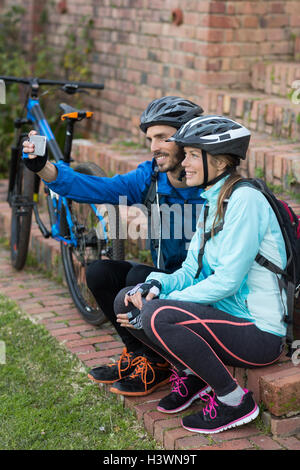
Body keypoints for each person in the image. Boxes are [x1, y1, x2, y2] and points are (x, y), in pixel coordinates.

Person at [114, 115, 287, 433]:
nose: (184, 162)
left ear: (220, 161)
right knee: (127, 299)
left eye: (193, 155)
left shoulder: (245, 201)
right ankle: (194, 375)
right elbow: (190, 270)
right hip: (224, 320)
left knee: (157, 313)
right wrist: (155, 284)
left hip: (260, 334)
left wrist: (160, 301)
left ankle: (235, 401)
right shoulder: (212, 202)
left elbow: (227, 281)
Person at [22, 96, 205, 396]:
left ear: (187, 137)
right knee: (99, 272)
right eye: (150, 138)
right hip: (164, 282)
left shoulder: (213, 183)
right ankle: (143, 357)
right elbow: (101, 188)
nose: (154, 146)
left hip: (199, 290)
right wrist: (45, 168)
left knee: (137, 280)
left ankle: (157, 360)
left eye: (163, 137)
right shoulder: (151, 177)